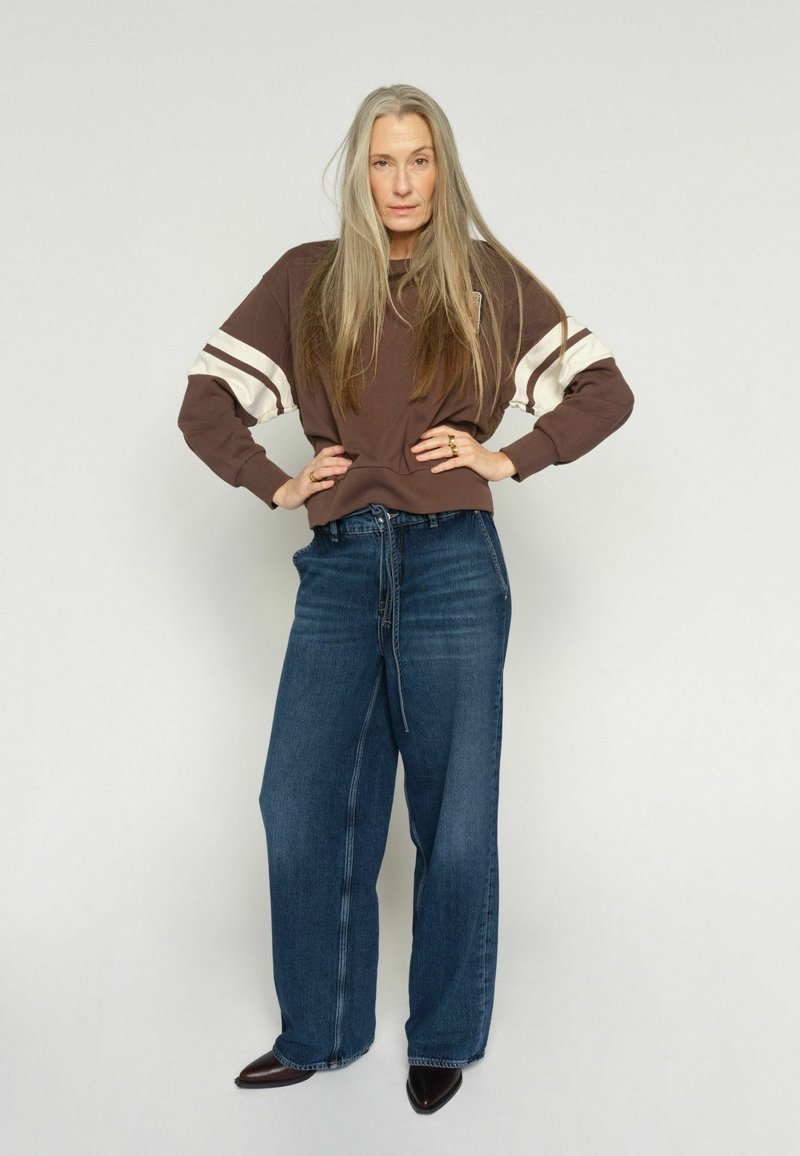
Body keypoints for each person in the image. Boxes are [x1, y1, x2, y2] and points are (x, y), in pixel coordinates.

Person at [177, 83, 634, 1115]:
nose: (400, 182)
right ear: (359, 172)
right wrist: (276, 481)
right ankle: (321, 1029)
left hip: (452, 564)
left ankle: (445, 1034)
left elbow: (603, 388)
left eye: (418, 160)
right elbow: (205, 403)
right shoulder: (304, 279)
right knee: (301, 807)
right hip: (340, 566)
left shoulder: (485, 279)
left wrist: (508, 457)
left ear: (442, 167)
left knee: (454, 820)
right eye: (382, 161)